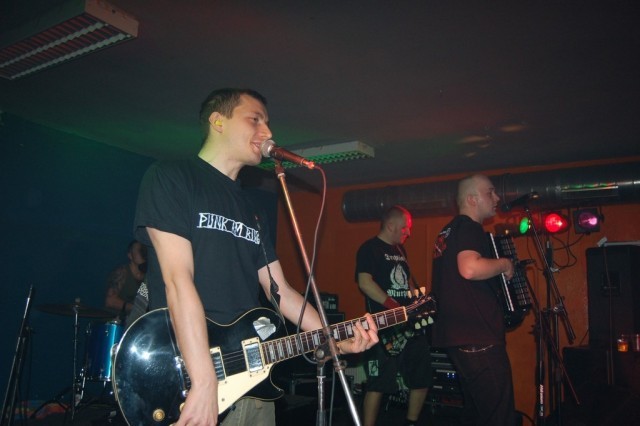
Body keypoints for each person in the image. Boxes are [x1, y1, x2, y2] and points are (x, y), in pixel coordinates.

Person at [133, 88, 379, 426]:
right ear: (218, 121)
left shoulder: (252, 210)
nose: (268, 132)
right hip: (188, 374)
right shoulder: (172, 177)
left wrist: (335, 336)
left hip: (252, 381)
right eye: (255, 120)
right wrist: (204, 380)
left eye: (267, 123)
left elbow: (283, 292)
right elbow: (177, 279)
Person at [431, 174, 517, 426]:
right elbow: (469, 268)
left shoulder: (448, 231)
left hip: (458, 337)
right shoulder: (469, 227)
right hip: (479, 337)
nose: (497, 197)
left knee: (477, 415)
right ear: (472, 199)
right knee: (499, 417)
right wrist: (504, 264)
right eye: (490, 192)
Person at [355, 205, 431, 426]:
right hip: (382, 328)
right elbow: (365, 283)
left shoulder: (401, 251)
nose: (409, 232)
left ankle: (411, 423)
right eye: (405, 228)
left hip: (408, 325)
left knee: (422, 376)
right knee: (378, 384)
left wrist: (416, 303)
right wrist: (393, 305)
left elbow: (406, 284)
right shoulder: (369, 248)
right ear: (390, 226)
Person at [104, 239, 147, 318]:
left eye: (143, 250)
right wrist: (135, 308)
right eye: (138, 250)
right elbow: (110, 301)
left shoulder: (148, 276)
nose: (142, 253)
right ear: (130, 255)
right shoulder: (122, 272)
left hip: (134, 321)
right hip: (115, 320)